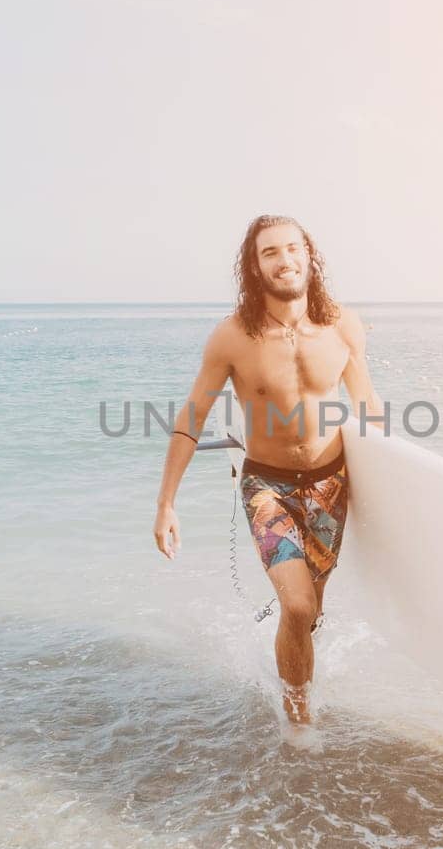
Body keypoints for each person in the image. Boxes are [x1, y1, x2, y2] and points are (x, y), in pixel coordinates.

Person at [153, 214, 382, 731]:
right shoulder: (232, 337)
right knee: (299, 606)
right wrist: (166, 503)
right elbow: (192, 419)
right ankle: (298, 718)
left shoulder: (343, 325)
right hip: (267, 487)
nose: (284, 261)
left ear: (309, 254)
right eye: (270, 253)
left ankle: (291, 660)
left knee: (311, 612)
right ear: (254, 268)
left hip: (331, 484)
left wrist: (405, 490)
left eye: (292, 248)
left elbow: (368, 407)